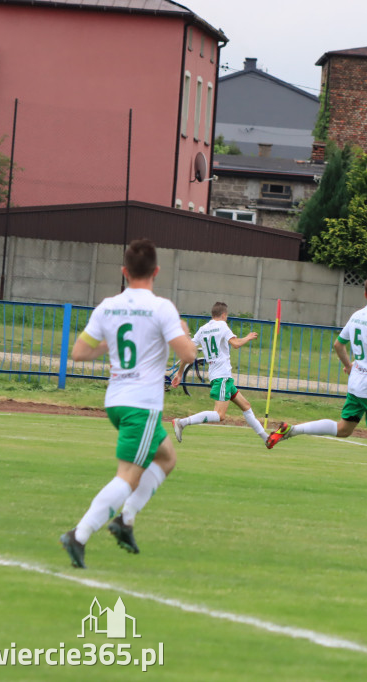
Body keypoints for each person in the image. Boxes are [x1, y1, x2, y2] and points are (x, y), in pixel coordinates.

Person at [60, 239, 196, 569]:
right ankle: (79, 534)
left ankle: (126, 520)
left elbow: (78, 352)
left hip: (116, 401)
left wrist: (115, 344)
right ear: (156, 271)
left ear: (124, 272)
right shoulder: (162, 307)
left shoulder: (108, 306)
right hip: (141, 404)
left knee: (165, 458)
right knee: (128, 476)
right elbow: (188, 354)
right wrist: (183, 331)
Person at [265, 275, 367, 504]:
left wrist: (349, 365)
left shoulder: (357, 316)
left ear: (365, 294)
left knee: (344, 429)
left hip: (357, 385)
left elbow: (338, 344)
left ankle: (293, 430)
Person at [170, 301, 269, 445]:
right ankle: (182, 422)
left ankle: (267, 439)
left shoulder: (203, 329)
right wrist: (248, 337)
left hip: (219, 376)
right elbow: (235, 344)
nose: (226, 318)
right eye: (227, 316)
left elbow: (188, 349)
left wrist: (179, 373)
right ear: (223, 315)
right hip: (222, 376)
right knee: (220, 415)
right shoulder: (222, 325)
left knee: (246, 405)